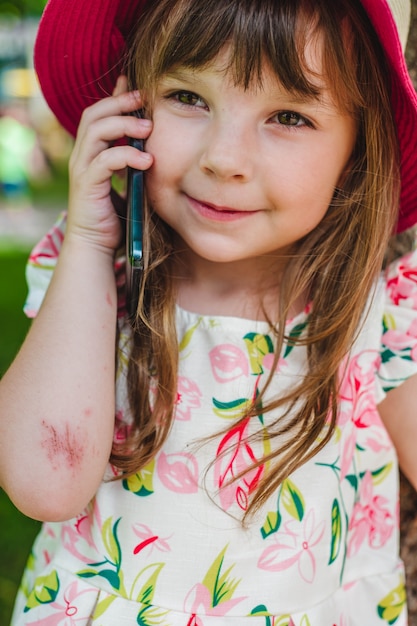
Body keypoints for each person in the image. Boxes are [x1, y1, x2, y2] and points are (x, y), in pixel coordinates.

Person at [1, 0, 417, 622]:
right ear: (129, 107)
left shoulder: (375, 307)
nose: (225, 159)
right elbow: (44, 484)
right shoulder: (97, 279)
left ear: (357, 151)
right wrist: (90, 242)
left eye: (288, 116)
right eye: (189, 98)